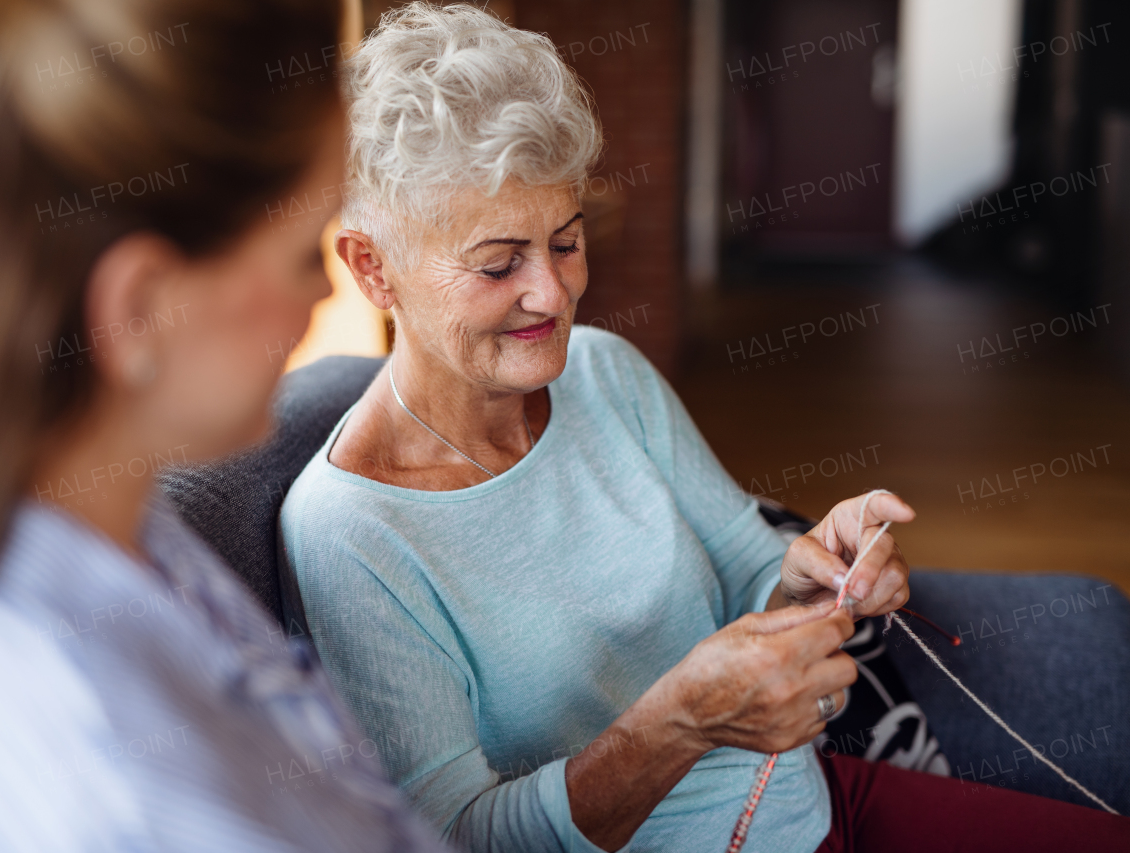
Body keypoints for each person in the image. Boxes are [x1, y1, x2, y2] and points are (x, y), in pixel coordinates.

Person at [279, 4, 1130, 852]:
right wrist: (678, 723)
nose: (552, 293)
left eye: (567, 243)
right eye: (499, 263)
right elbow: (459, 837)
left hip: (823, 802)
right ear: (371, 268)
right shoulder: (353, 533)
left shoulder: (607, 372)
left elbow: (746, 562)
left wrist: (807, 577)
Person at [0, 1, 446, 850]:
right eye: (300, 251)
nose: (325, 293)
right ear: (139, 312)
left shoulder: (122, 527)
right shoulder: (100, 790)